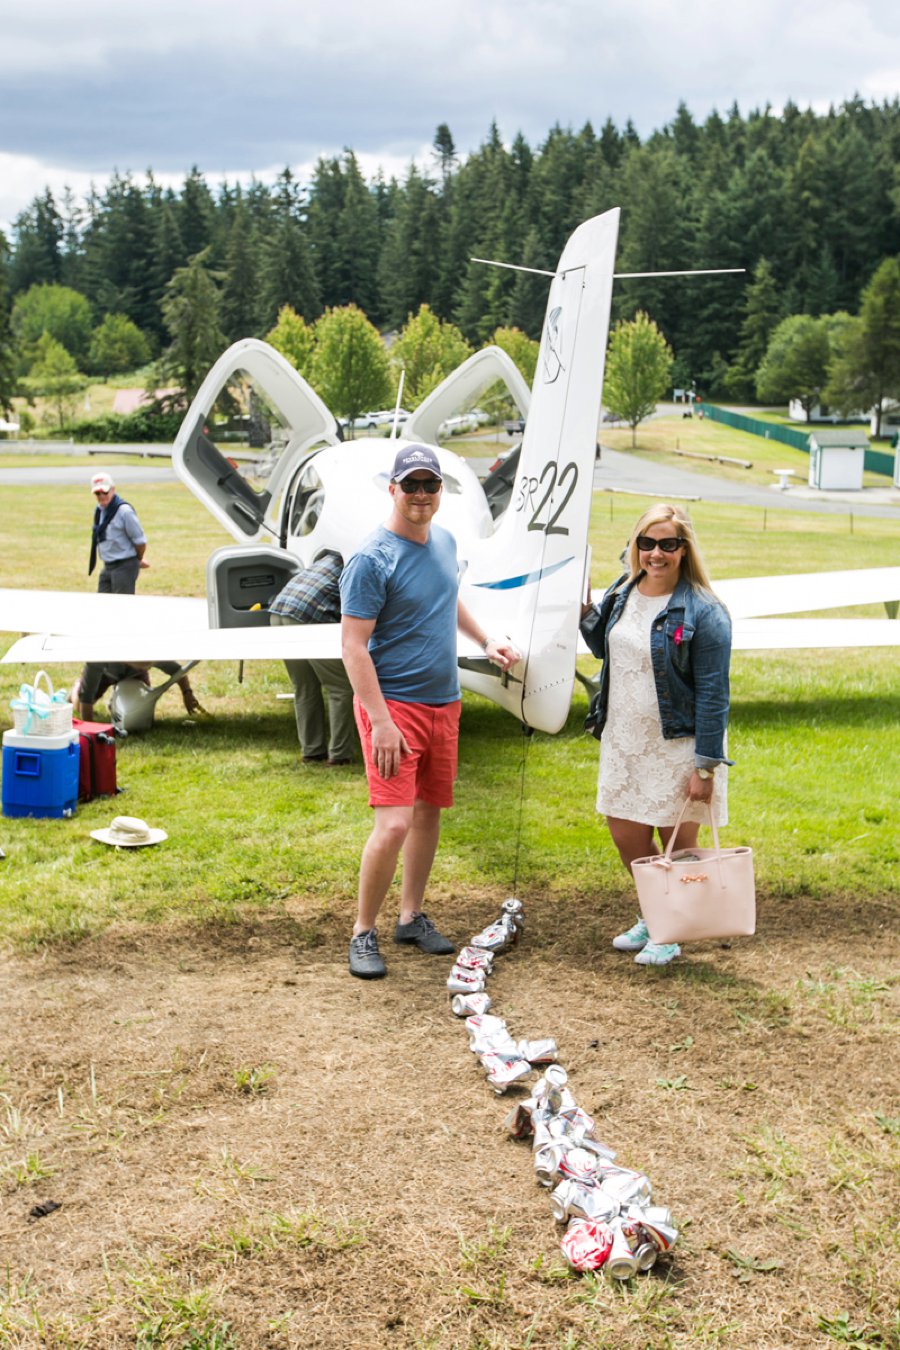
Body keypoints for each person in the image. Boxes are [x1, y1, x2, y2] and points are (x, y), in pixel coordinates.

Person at [340, 445, 521, 980]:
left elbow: (448, 598)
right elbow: (353, 648)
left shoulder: (443, 541)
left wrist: (486, 640)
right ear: (392, 489)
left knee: (428, 813)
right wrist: (382, 722)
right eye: (410, 486)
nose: (420, 496)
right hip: (394, 706)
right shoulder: (372, 559)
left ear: (440, 491)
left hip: (445, 703)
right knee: (393, 823)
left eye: (429, 486)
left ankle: (410, 917)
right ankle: (362, 932)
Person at [580, 503, 732, 966]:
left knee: (674, 848)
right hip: (624, 739)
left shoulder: (705, 612)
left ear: (684, 550)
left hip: (678, 745)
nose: (656, 553)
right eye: (647, 543)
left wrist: (704, 767)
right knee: (627, 836)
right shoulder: (625, 590)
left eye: (668, 544)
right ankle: (657, 911)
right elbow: (603, 644)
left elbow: (713, 693)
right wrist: (585, 609)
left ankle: (670, 930)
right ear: (636, 547)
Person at [268, 551, 356, 766]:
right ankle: (340, 754)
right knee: (341, 687)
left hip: (278, 612)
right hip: (308, 617)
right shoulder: (360, 563)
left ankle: (312, 751)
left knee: (304, 686)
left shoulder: (330, 557)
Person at [72, 661, 202, 722]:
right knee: (79, 706)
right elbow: (86, 699)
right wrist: (92, 734)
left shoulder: (151, 657)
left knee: (135, 712)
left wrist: (187, 693)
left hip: (134, 676)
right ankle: (77, 685)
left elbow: (178, 671)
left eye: (151, 663)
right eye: (147, 663)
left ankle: (116, 700)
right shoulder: (98, 660)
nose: (150, 664)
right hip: (106, 674)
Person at [88, 472, 148, 594]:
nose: (101, 496)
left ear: (113, 490)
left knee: (122, 607)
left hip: (124, 565)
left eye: (104, 492)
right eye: (97, 493)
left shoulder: (124, 512)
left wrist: (138, 559)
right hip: (108, 565)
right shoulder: (99, 510)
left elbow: (140, 541)